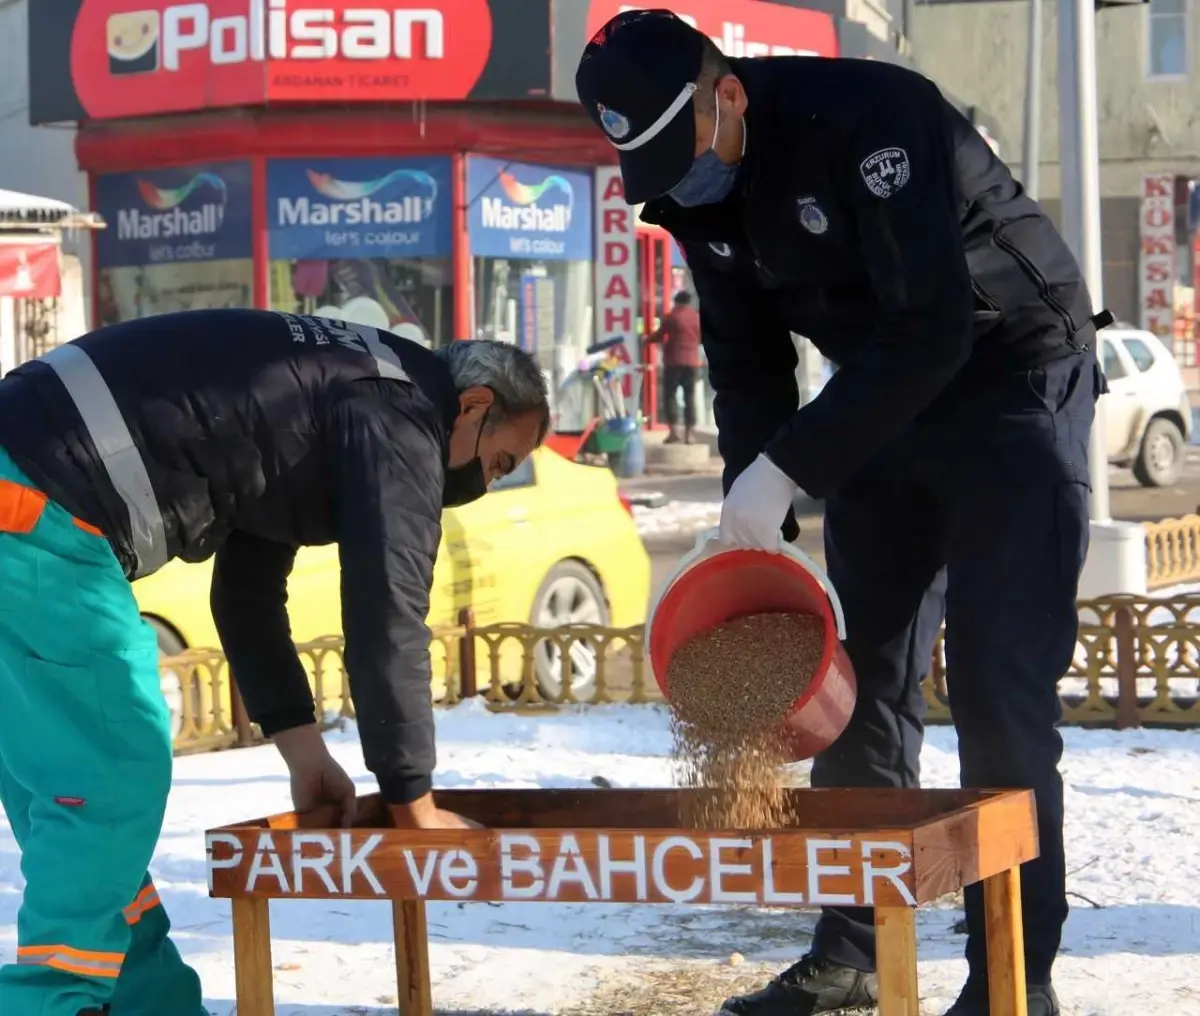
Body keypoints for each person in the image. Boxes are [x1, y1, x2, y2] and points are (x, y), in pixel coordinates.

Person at [576, 11, 1111, 1016]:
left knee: (1000, 685)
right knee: (859, 675)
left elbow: (933, 324)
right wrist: (755, 500)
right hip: (879, 399)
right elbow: (743, 358)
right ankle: (854, 946)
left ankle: (1012, 970)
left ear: (725, 93)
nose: (680, 186)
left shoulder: (871, 116)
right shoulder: (696, 195)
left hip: (1011, 375)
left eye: (679, 153)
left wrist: (791, 466)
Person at [0, 309, 549, 1016]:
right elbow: (389, 613)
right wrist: (415, 803)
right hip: (35, 504)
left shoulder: (342, 388)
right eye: (499, 460)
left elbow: (247, 593)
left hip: (24, 479)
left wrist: (300, 748)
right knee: (113, 773)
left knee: (82, 803)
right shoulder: (403, 412)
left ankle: (150, 1004)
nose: (489, 481)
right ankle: (51, 1002)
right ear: (473, 406)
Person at [647, 290, 703, 443]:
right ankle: (689, 434)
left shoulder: (672, 316)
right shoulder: (696, 318)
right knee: (689, 397)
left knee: (670, 396)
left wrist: (646, 340)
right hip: (692, 362)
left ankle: (674, 433)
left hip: (673, 363)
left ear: (677, 302)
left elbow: (659, 335)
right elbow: (702, 338)